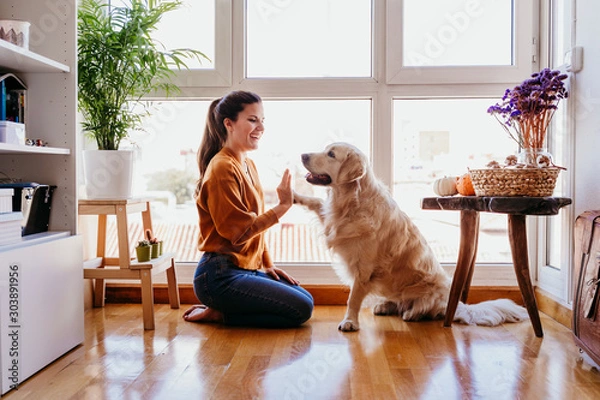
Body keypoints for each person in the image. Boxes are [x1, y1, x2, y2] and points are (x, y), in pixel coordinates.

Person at [183, 90, 314, 328]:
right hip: (218, 275)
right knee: (300, 309)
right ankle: (220, 314)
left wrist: (267, 264)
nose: (261, 128)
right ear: (229, 124)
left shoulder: (247, 164)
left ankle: (224, 309)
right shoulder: (222, 167)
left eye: (262, 120)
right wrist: (283, 206)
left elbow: (255, 229)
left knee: (306, 299)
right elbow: (238, 233)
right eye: (253, 120)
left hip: (244, 268)